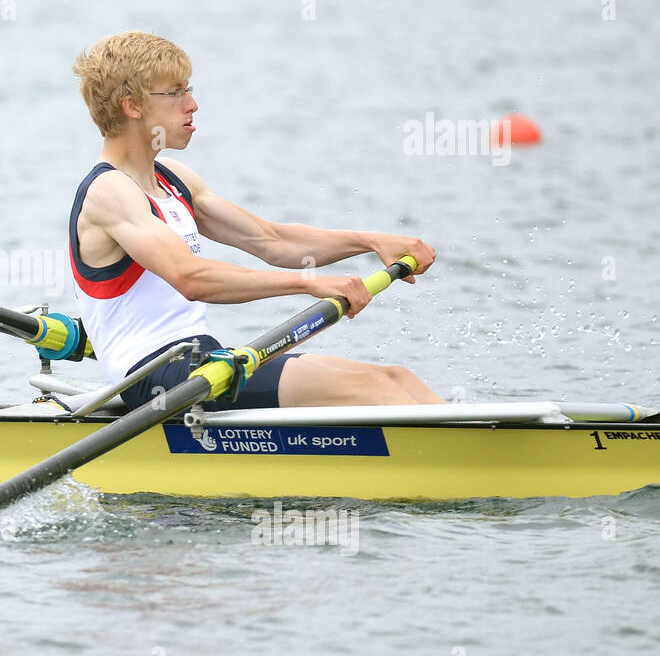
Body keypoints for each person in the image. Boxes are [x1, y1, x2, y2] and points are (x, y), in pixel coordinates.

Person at [69, 31, 443, 410]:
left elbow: (273, 241)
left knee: (398, 379)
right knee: (378, 394)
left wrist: (372, 241)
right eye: (176, 92)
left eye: (189, 90)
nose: (193, 104)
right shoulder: (109, 192)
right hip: (157, 379)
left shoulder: (173, 177)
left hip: (202, 362)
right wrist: (307, 282)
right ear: (132, 106)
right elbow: (190, 278)